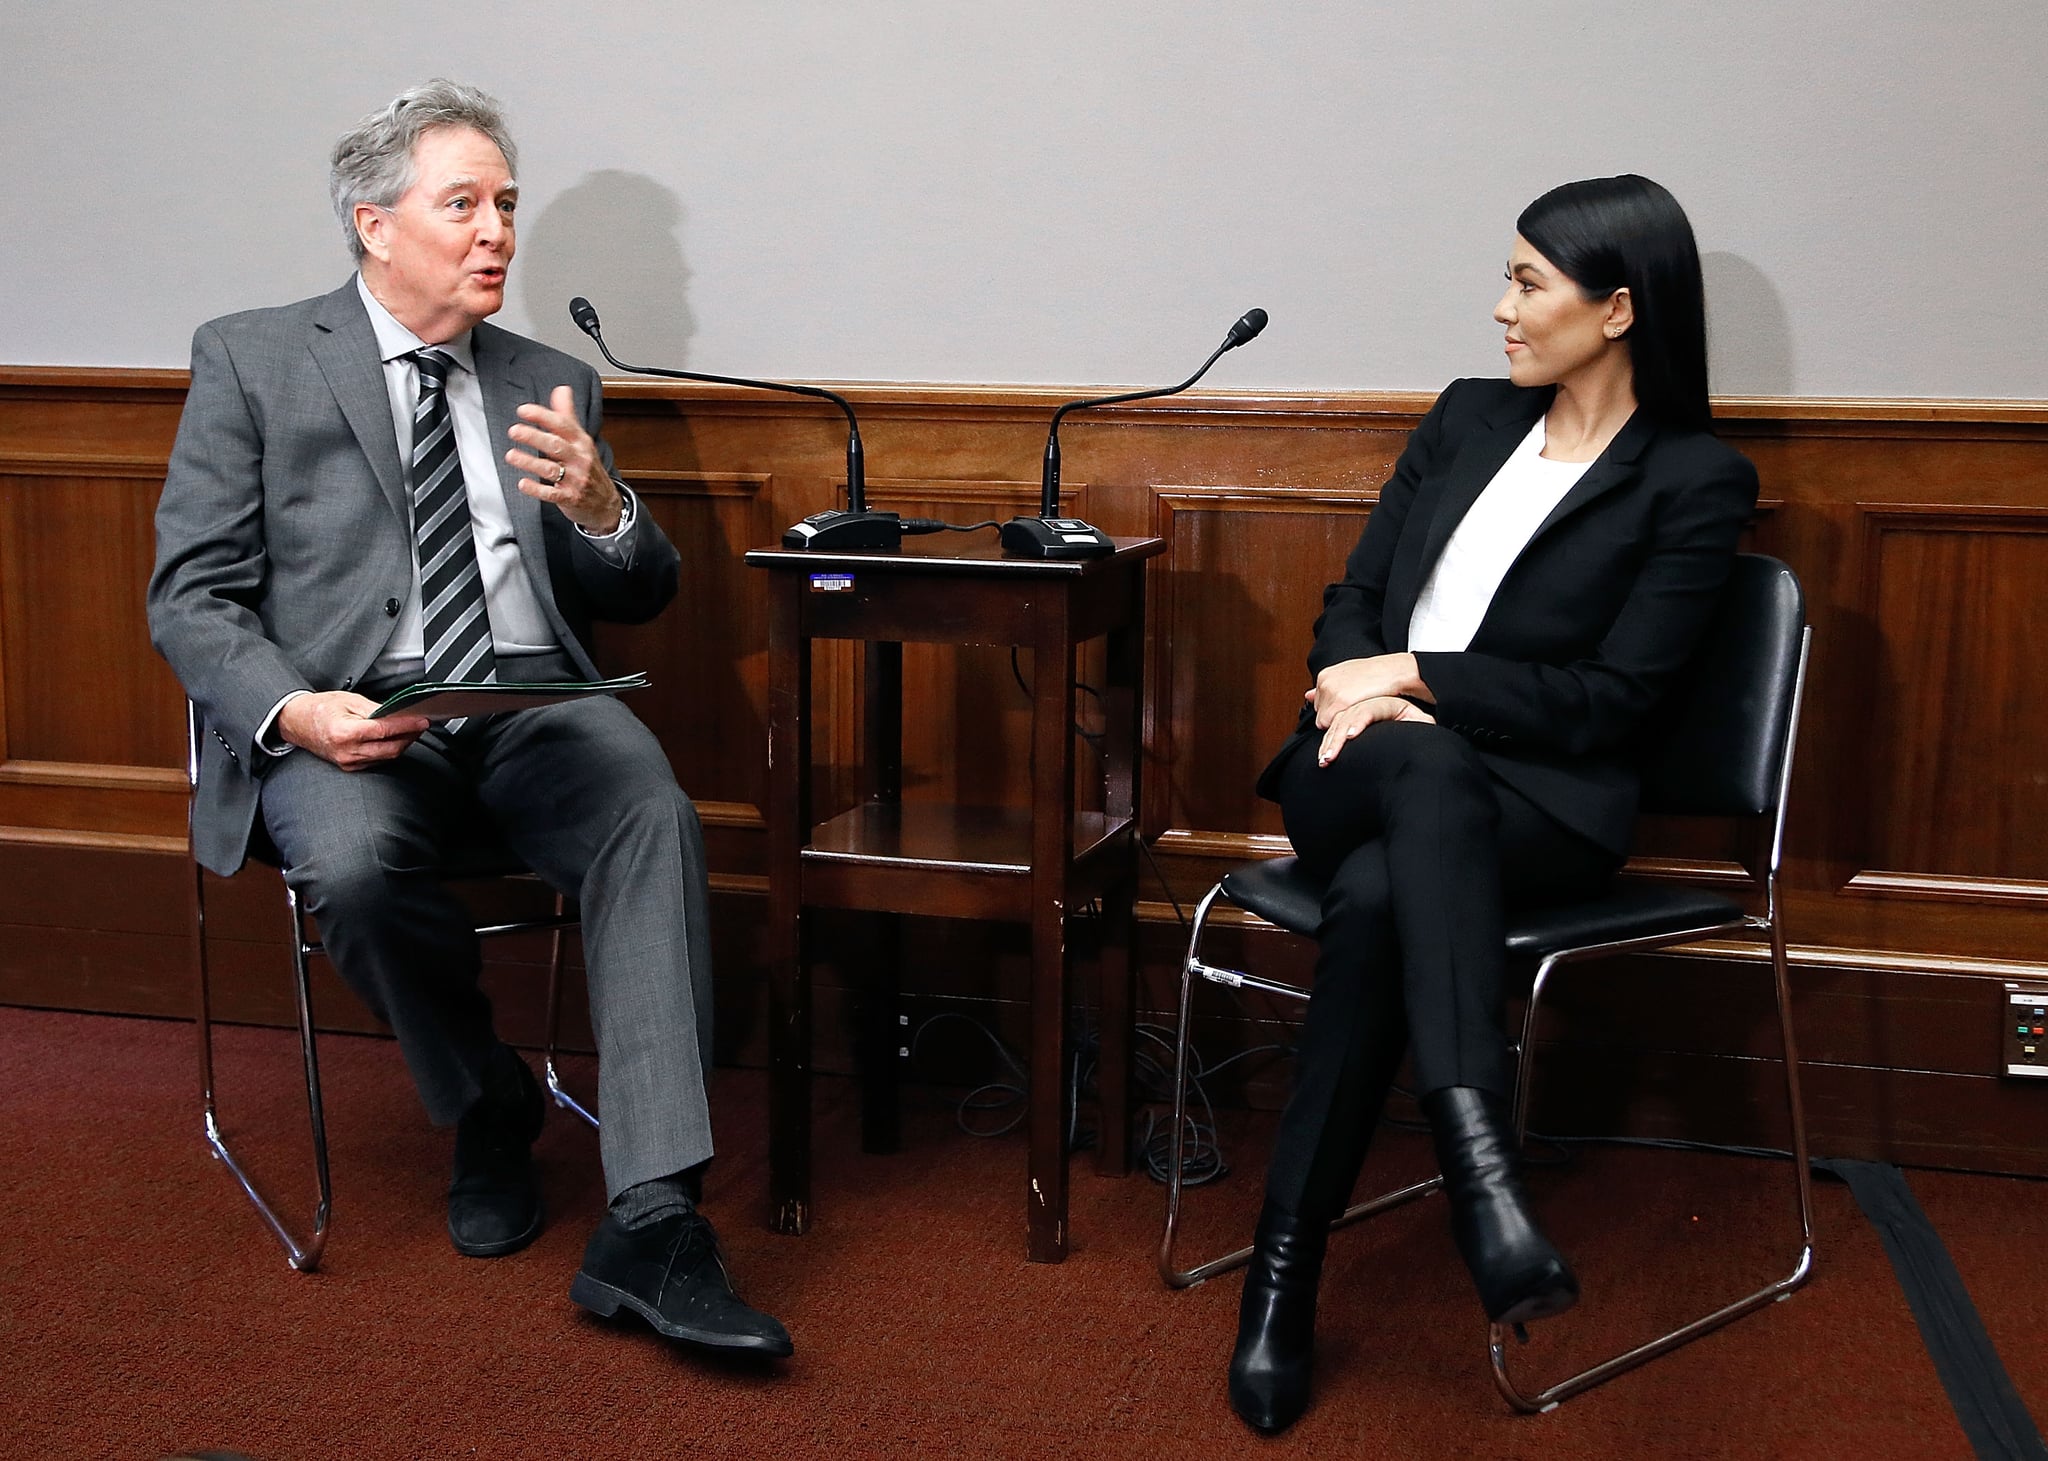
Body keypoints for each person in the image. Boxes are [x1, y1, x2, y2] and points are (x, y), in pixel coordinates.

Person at [148, 80, 790, 1360]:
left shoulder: (551, 380)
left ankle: (655, 1217)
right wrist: (295, 709)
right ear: (374, 225)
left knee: (649, 812)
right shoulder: (254, 355)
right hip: (351, 714)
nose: (498, 230)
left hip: (527, 701)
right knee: (347, 860)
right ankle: (487, 1100)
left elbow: (642, 593)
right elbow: (190, 595)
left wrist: (606, 508)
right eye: (463, 205)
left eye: (506, 204)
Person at [1226, 174, 1758, 1433]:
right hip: (1357, 763)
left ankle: (1277, 1287)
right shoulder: (1465, 420)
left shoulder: (1691, 480)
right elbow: (1350, 604)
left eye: (1525, 282)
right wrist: (1369, 683)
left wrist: (1417, 675)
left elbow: (1614, 701)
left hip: (1540, 810)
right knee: (1415, 779)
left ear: (1617, 309)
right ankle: (1482, 1178)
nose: (1499, 309)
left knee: (1372, 904)